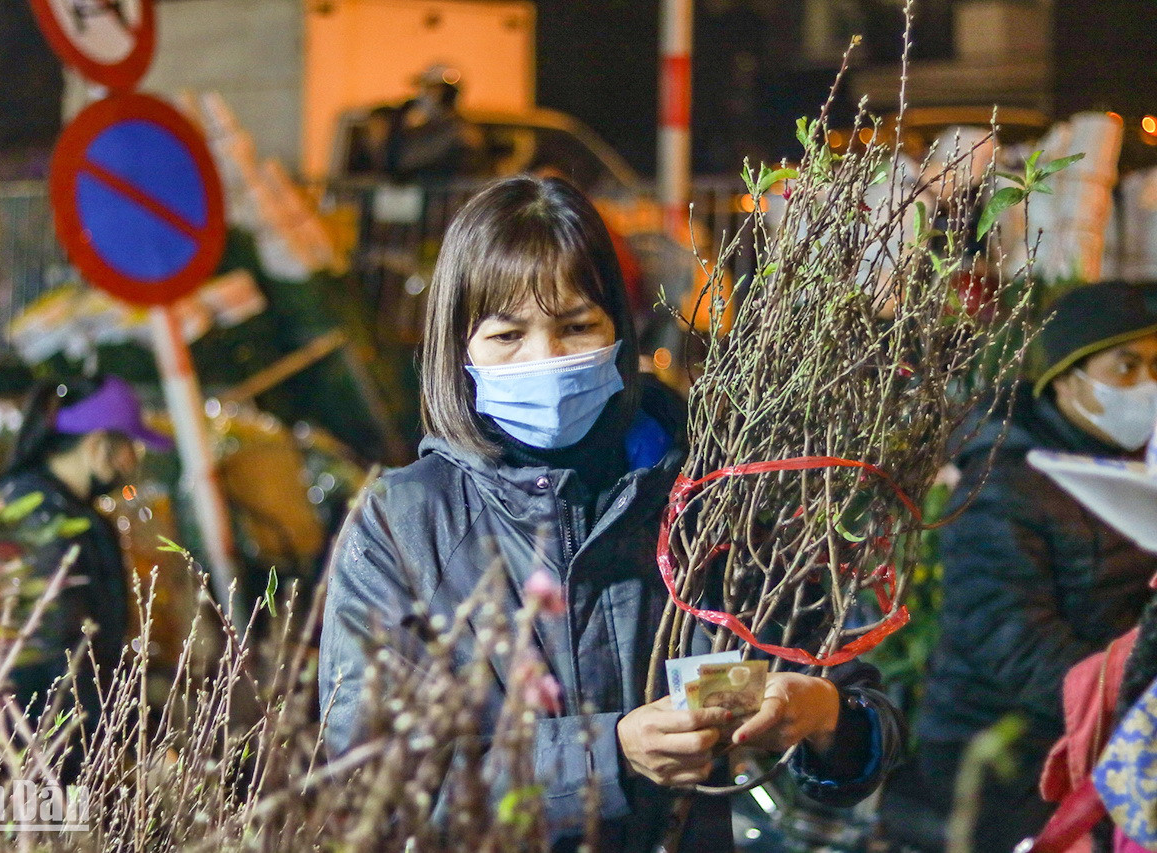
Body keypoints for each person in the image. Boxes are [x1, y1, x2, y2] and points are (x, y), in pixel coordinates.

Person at [319, 176, 903, 850]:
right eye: (508, 334)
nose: (547, 358)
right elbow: (374, 778)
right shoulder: (404, 525)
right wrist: (608, 754)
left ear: (618, 329)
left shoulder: (708, 490)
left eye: (575, 326)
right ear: (460, 350)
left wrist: (825, 716)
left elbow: (866, 725)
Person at [915, 280, 1157, 851]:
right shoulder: (1001, 483)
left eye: (1155, 365)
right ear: (1066, 379)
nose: (1148, 387)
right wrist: (1127, 701)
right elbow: (1013, 642)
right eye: (1125, 369)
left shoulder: (1127, 466)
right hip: (1004, 750)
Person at [0, 375, 172, 760]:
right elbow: (69, 656)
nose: (131, 462)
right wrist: (135, 740)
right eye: (129, 447)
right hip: (46, 748)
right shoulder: (46, 521)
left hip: (47, 735)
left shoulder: (41, 506)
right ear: (97, 445)